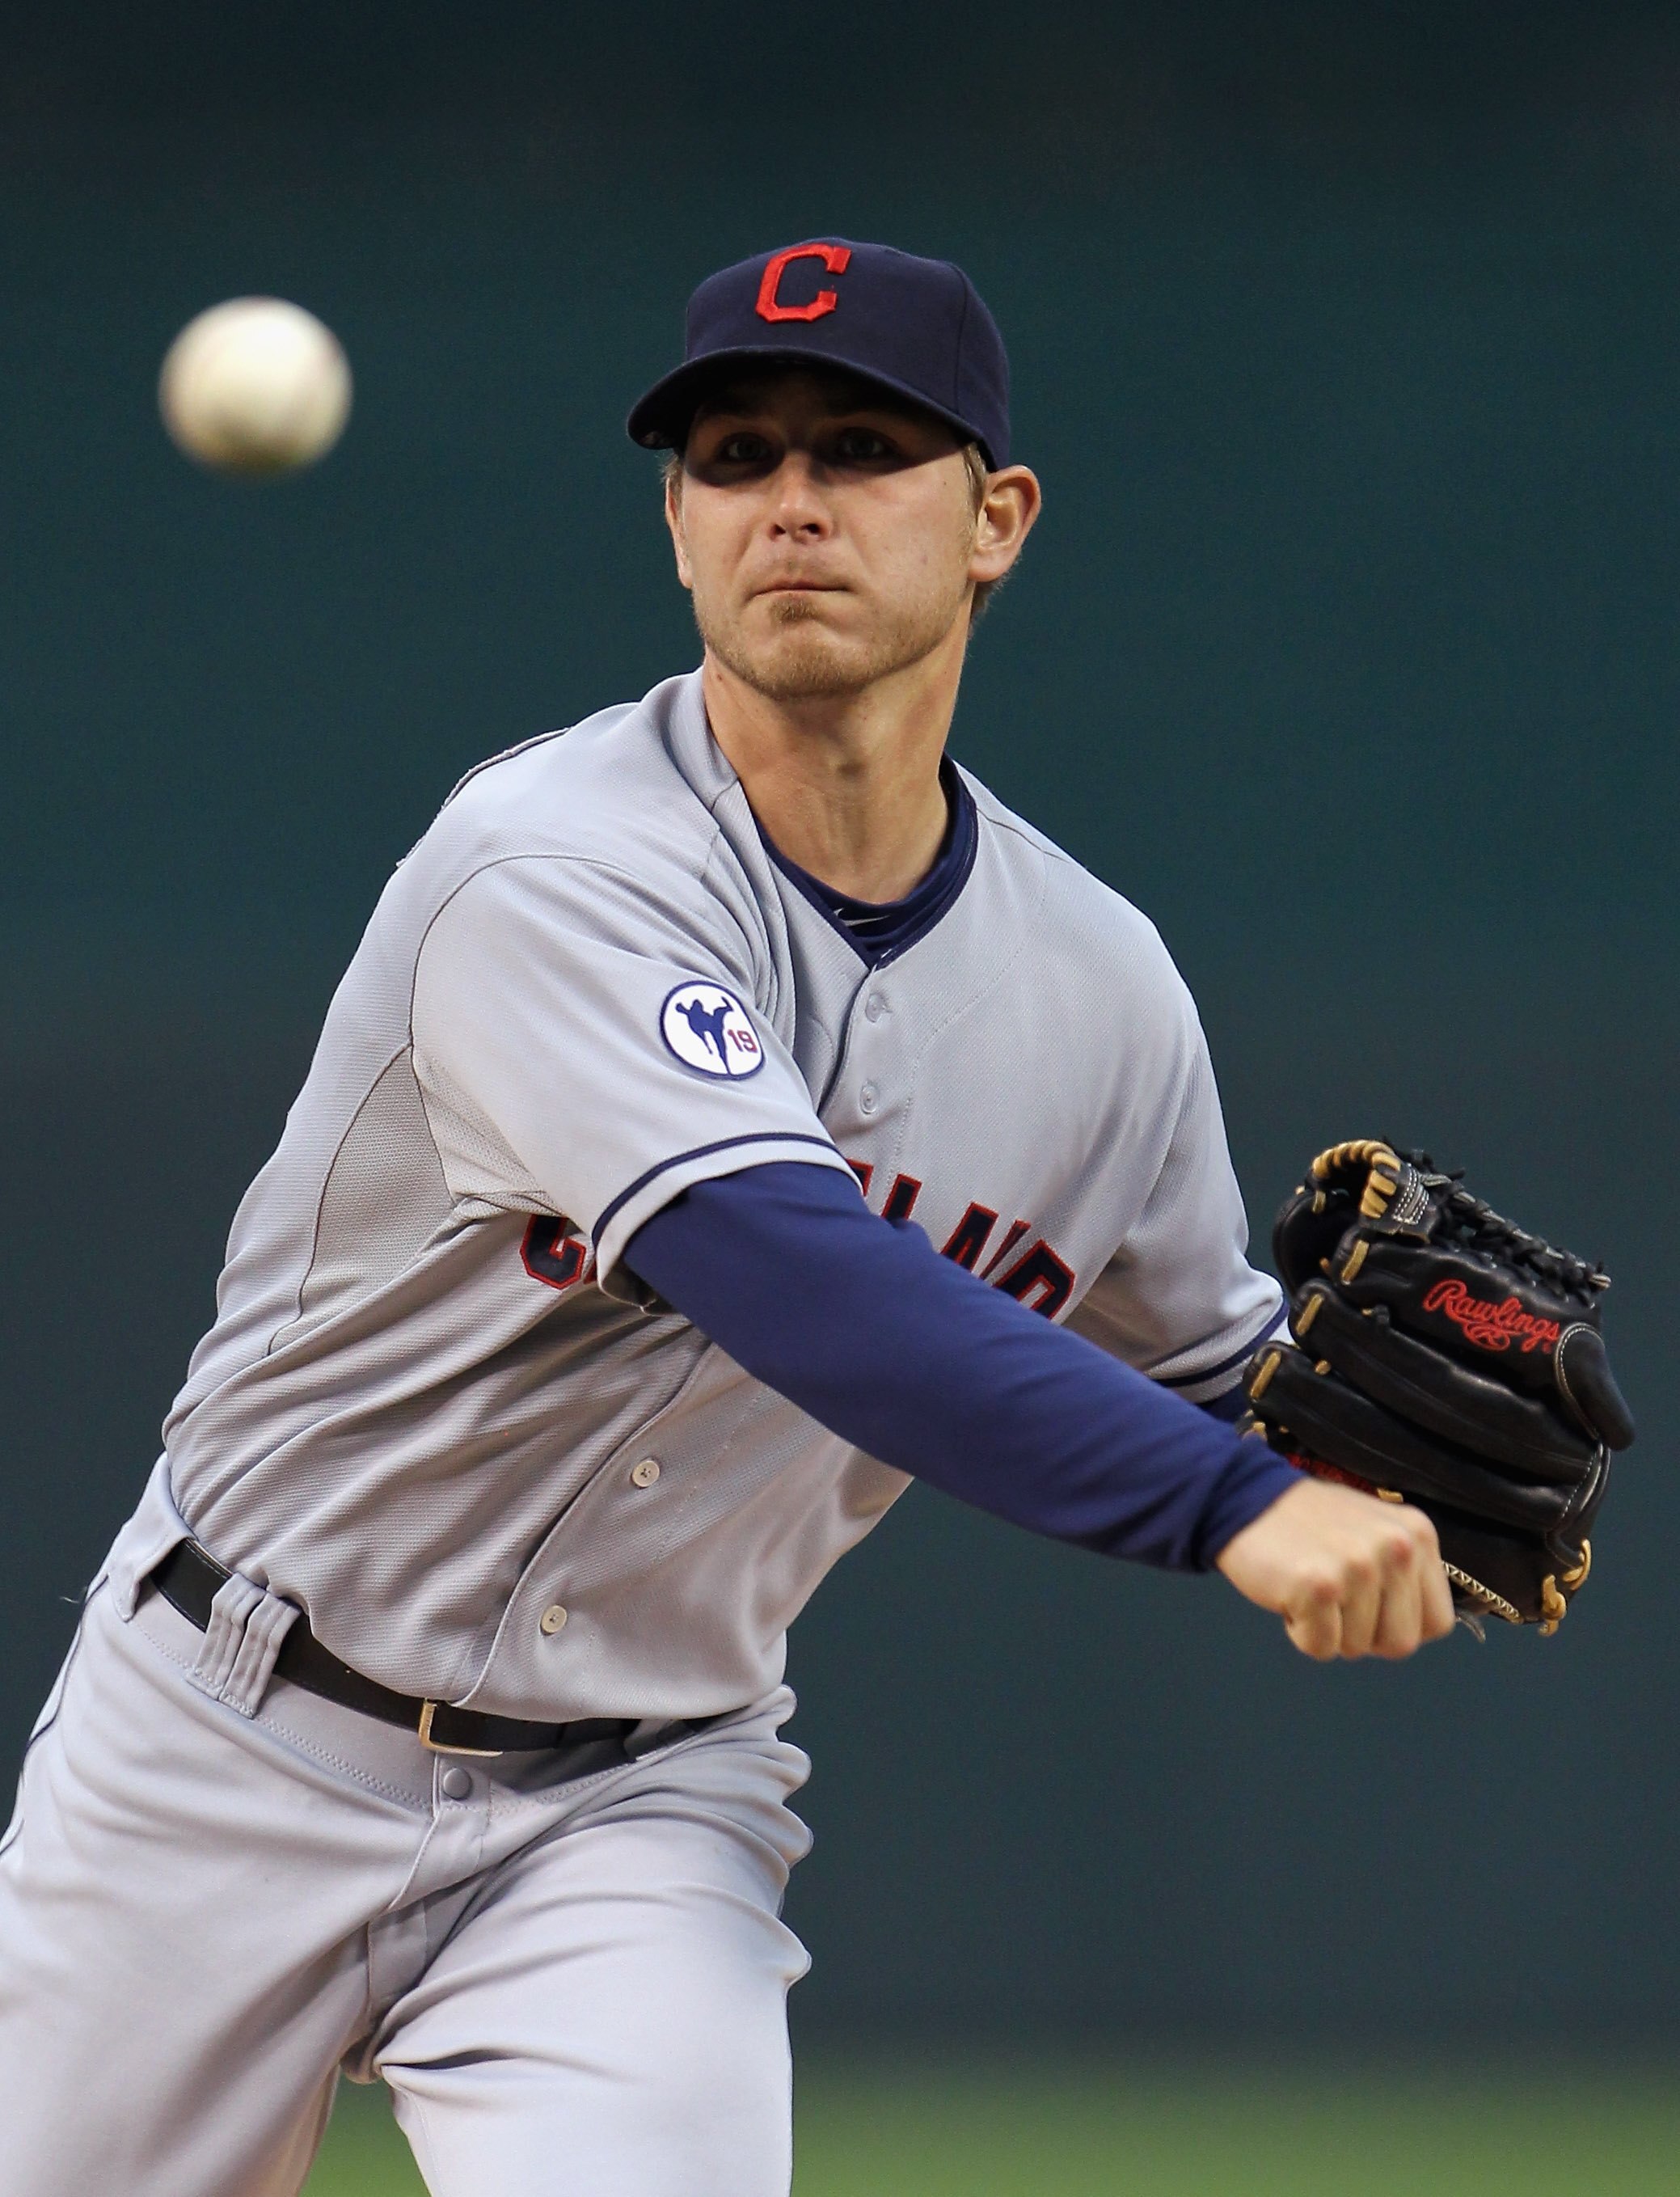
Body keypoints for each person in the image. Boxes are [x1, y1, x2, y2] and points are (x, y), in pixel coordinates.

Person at [0, 239, 1454, 2197]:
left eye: (860, 448)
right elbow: (803, 1281)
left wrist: (1353, 1448)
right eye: (732, 454)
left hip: (631, 1803)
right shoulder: (547, 865)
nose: (790, 502)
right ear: (676, 526)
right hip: (225, 1740)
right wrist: (1240, 1512)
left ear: (995, 519)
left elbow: (1222, 1377)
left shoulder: (1101, 995)